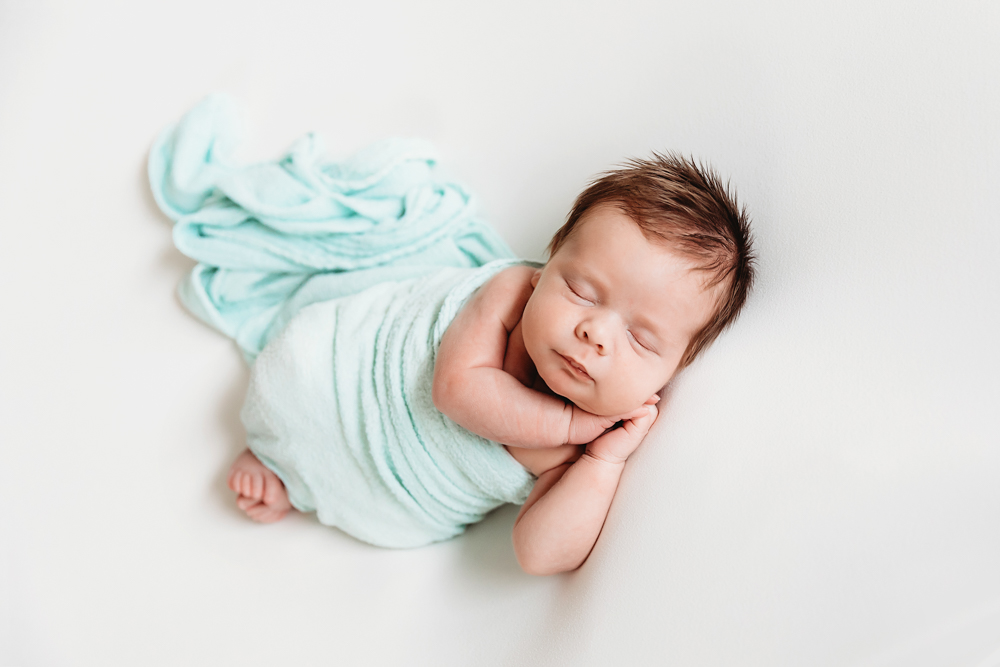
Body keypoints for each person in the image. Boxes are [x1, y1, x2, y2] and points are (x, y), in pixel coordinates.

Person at [226, 154, 755, 575]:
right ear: (546, 268)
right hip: (337, 378)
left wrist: (602, 464)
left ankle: (297, 485)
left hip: (392, 500)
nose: (595, 333)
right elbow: (455, 391)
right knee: (290, 386)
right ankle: (272, 453)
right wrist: (569, 424)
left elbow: (539, 554)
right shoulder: (508, 294)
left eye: (640, 339)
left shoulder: (582, 453)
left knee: (365, 509)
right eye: (580, 290)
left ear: (673, 370)